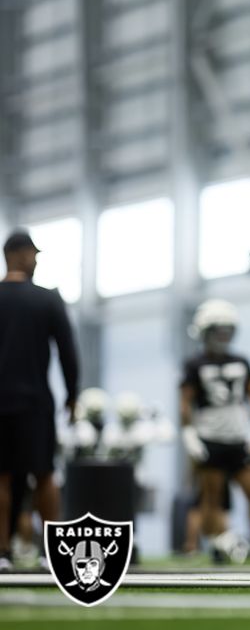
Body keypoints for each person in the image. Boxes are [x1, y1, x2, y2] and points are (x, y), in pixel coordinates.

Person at [0, 229, 79, 573]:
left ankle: (2, 553)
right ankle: (52, 554)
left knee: (0, 476)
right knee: (45, 475)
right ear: (17, 254)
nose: (35, 261)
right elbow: (67, 352)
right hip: (35, 403)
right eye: (33, 254)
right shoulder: (48, 299)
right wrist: (73, 394)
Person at [178, 299, 250, 563]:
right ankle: (217, 543)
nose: (223, 335)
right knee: (212, 498)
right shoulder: (194, 365)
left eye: (227, 329)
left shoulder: (241, 361)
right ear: (204, 331)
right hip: (210, 438)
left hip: (239, 438)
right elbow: (185, 402)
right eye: (217, 329)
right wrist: (189, 434)